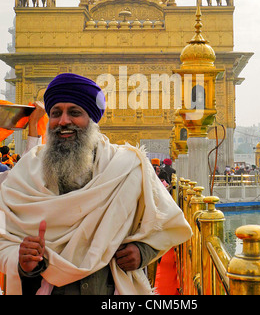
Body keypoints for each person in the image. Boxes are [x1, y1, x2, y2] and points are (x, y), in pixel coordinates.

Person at [0, 73, 192, 295]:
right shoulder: (26, 173)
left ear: (92, 119)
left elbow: (168, 224)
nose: (63, 121)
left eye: (74, 112)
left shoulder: (127, 166)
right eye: (55, 113)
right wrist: (23, 262)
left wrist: (141, 252)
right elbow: (4, 240)